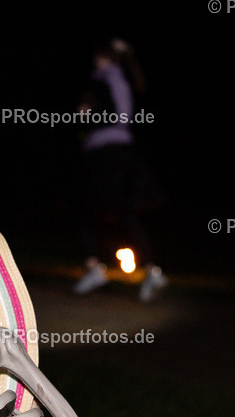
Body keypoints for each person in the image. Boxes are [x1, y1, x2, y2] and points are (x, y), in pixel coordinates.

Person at [72, 38, 168, 302]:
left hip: (108, 154)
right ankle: (151, 271)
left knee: (85, 209)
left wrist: (89, 112)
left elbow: (117, 114)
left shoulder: (108, 78)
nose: (95, 60)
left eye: (98, 55)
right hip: (116, 153)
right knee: (120, 212)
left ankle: (94, 268)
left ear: (105, 57)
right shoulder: (116, 78)